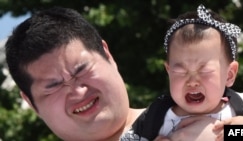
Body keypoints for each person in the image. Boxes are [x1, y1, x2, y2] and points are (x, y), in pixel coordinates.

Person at [4, 7, 145, 141]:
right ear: (31, 103)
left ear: (107, 56)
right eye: (54, 86)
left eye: (81, 70)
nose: (77, 91)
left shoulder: (165, 119)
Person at [121, 4, 243, 141]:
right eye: (180, 71)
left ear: (229, 74)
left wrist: (236, 132)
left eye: (204, 71)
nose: (192, 81)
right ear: (169, 71)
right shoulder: (155, 117)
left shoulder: (239, 112)